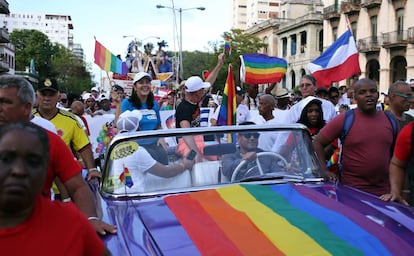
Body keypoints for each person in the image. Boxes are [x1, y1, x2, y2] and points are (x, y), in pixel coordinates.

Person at [0, 75, 116, 235]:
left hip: (37, 229)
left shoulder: (48, 139)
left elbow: (78, 185)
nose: (46, 98)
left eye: (5, 102)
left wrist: (90, 219)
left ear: (26, 108)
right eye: (43, 94)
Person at [0, 121, 110, 255]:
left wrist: (91, 219)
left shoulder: (72, 224)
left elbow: (78, 185)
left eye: (33, 162)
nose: (19, 170)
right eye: (6, 159)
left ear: (46, 170)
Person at [313, 78, 395, 196]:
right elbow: (318, 142)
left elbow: (398, 160)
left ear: (377, 95)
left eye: (372, 91)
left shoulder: (390, 120)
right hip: (352, 193)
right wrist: (323, 170)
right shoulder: (344, 119)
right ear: (354, 97)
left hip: (385, 194)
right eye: (362, 92)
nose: (368, 95)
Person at [33, 78, 100, 201]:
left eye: (51, 94)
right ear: (37, 95)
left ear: (58, 97)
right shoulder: (27, 118)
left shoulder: (71, 120)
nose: (47, 98)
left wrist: (92, 169)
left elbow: (84, 146)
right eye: (43, 94)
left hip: (64, 188)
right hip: (34, 189)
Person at [112, 110, 194, 193]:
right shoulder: (137, 152)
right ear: (139, 128)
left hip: (120, 195)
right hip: (135, 199)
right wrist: (184, 165)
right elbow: (166, 173)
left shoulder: (114, 147)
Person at [116, 72, 168, 164]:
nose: (145, 85)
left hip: (155, 145)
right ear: (135, 87)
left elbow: (159, 125)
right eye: (141, 82)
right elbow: (123, 126)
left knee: (164, 160)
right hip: (137, 147)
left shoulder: (154, 103)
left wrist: (162, 139)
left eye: (147, 82)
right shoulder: (127, 103)